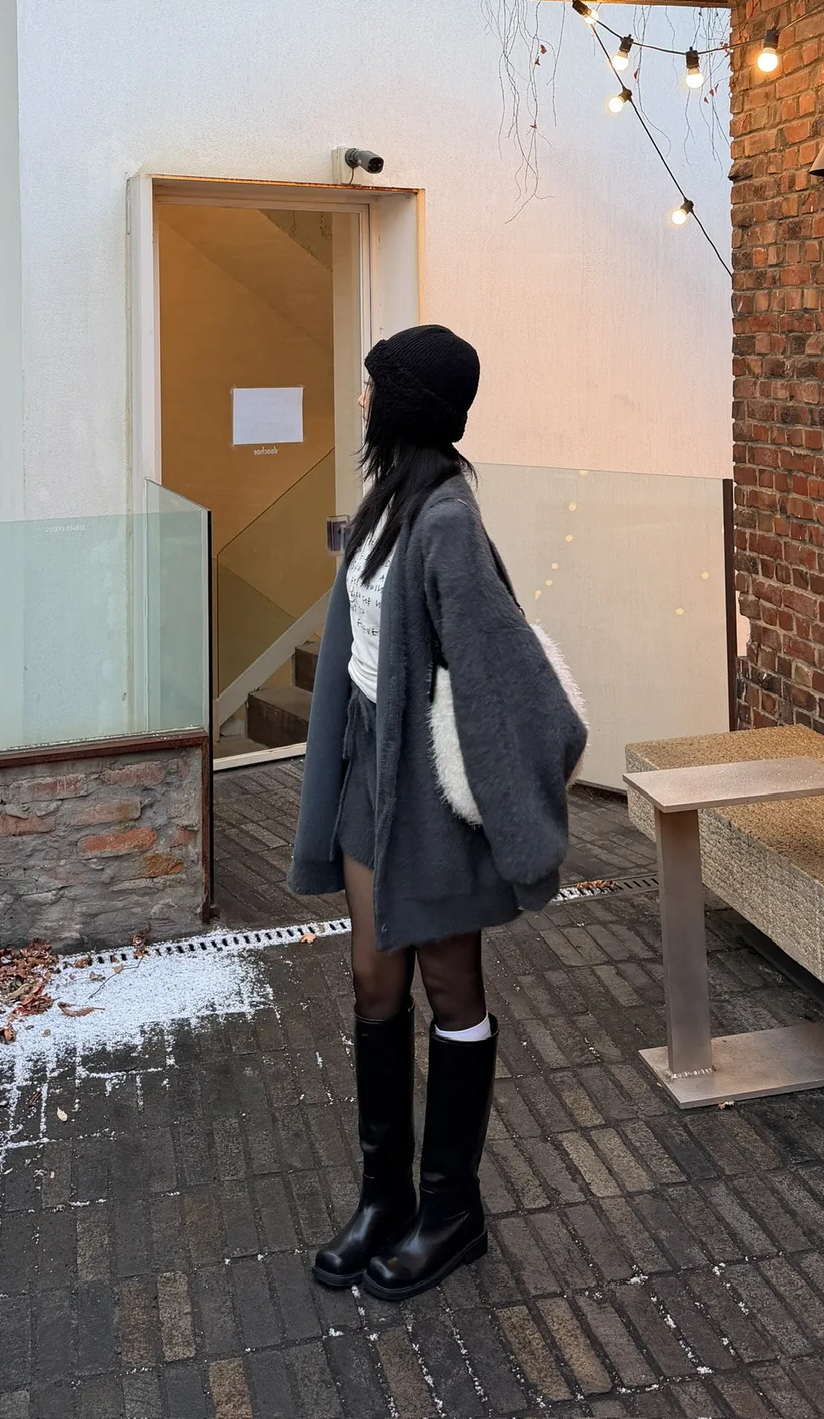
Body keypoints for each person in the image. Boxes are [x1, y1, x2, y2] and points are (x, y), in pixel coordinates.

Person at [288, 323, 588, 1301]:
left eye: (372, 385)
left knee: (452, 987)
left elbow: (504, 670)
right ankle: (384, 1198)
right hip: (372, 783)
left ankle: (451, 1210)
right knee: (374, 981)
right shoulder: (387, 500)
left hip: (429, 793)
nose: (361, 398)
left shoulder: (449, 520)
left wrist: (524, 801)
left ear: (406, 402)